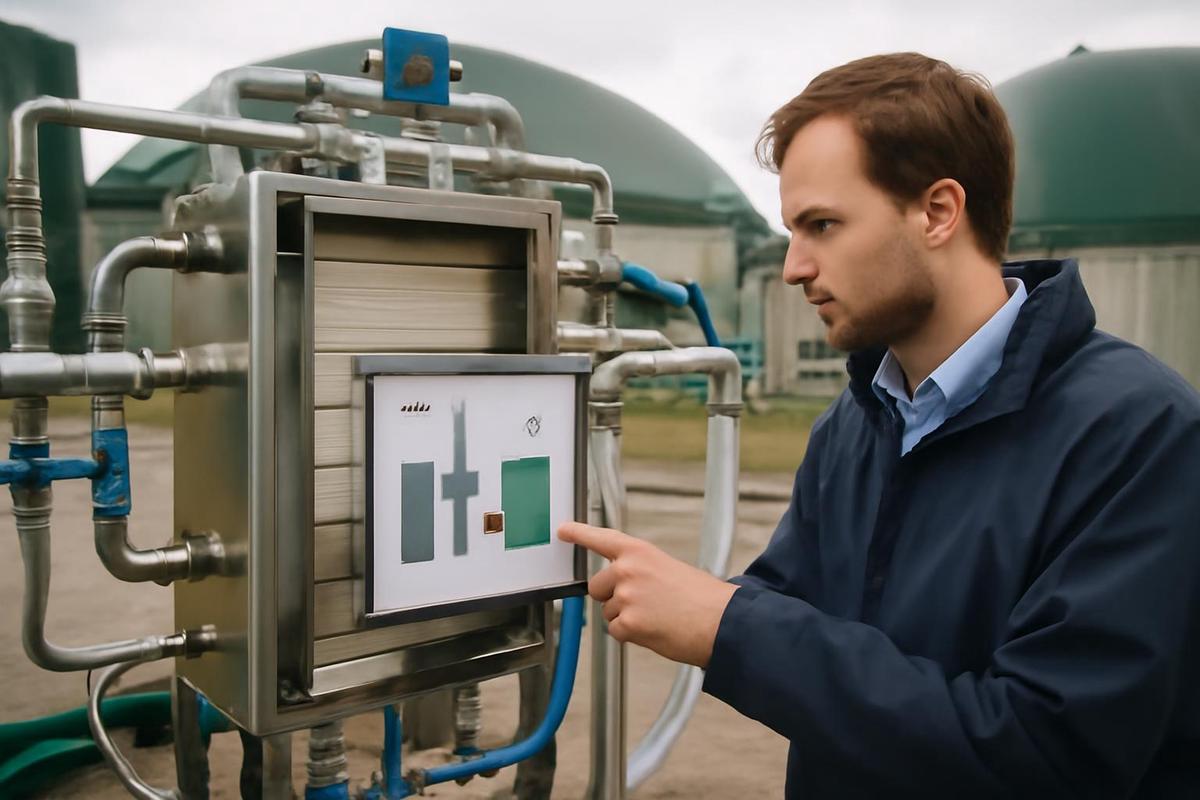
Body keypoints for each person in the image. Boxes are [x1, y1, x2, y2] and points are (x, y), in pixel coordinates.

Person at [558, 52, 1200, 797]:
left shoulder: (1139, 432)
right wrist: (668, 592)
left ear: (937, 212)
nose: (795, 266)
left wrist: (726, 624)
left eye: (822, 225)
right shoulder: (859, 420)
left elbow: (1047, 749)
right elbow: (786, 607)